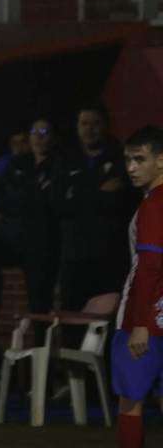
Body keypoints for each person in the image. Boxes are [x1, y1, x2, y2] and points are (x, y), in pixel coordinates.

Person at [105, 125, 163, 448]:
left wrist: (141, 321)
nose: (130, 166)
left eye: (139, 158)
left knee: (131, 402)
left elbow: (149, 265)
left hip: (145, 320)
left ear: (162, 160)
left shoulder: (153, 204)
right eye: (128, 159)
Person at [57, 103, 134, 311]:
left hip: (110, 256)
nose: (89, 129)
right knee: (72, 322)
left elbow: (122, 201)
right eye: (84, 123)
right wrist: (100, 192)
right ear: (77, 126)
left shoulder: (122, 157)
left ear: (106, 126)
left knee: (108, 323)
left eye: (95, 123)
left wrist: (78, 195)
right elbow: (58, 206)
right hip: (74, 258)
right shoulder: (65, 159)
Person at [0, 117, 61, 313]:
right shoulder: (17, 163)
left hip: (42, 244)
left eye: (44, 133)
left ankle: (41, 342)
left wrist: (16, 194)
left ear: (53, 138)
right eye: (34, 133)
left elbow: (46, 202)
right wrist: (32, 195)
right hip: (12, 238)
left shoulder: (58, 165)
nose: (38, 138)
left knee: (39, 305)